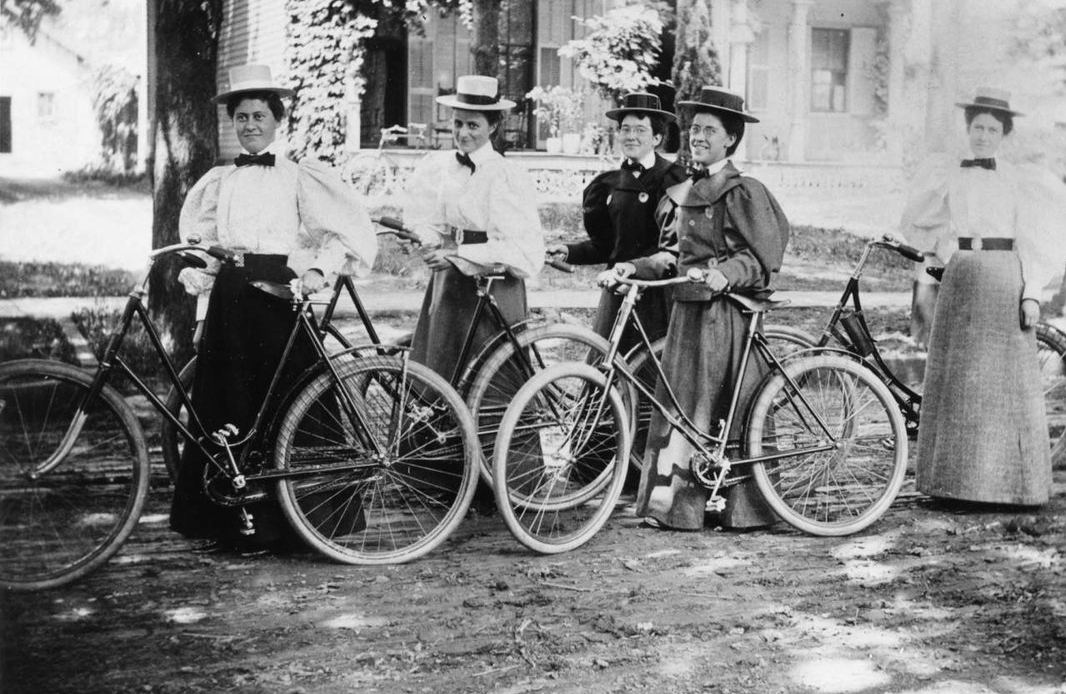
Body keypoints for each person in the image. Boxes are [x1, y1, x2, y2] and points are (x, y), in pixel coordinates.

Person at [171, 63, 378, 549]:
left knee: (290, 403)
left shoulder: (297, 176)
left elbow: (335, 234)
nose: (250, 126)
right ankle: (232, 524)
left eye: (259, 116)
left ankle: (299, 525)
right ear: (232, 122)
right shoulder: (220, 180)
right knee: (228, 407)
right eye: (241, 117)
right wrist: (202, 316)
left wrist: (317, 270)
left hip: (275, 297)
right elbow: (208, 255)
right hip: (229, 301)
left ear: (277, 120)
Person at [600, 87, 791, 531]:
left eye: (709, 130)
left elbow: (764, 256)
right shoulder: (684, 190)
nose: (698, 137)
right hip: (686, 314)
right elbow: (673, 255)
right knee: (682, 408)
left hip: (727, 317)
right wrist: (632, 267)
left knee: (731, 409)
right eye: (694, 129)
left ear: (731, 139)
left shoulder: (744, 191)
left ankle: (747, 508)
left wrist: (728, 272)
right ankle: (677, 507)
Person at [901, 87, 1066, 508]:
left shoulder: (1020, 180)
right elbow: (923, 222)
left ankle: (1009, 488)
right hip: (962, 276)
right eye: (977, 127)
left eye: (992, 130)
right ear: (968, 129)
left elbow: (1036, 239)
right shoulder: (949, 173)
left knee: (1002, 384)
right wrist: (942, 256)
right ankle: (953, 485)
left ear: (1004, 134)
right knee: (958, 381)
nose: (983, 136)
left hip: (1003, 277)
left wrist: (1032, 293)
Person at [405, 75, 544, 383]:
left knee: (489, 379)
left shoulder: (505, 175)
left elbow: (515, 246)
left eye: (473, 125)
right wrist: (423, 238)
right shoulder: (444, 168)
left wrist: (457, 254)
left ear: (493, 126)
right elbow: (437, 222)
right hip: (450, 282)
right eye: (457, 124)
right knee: (443, 369)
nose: (462, 133)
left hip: (493, 283)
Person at [546, 93, 687, 352]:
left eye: (640, 130)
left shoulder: (675, 180)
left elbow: (674, 251)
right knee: (606, 365)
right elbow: (606, 246)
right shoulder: (608, 184)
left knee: (651, 365)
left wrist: (635, 268)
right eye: (625, 129)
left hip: (656, 294)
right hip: (616, 292)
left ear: (657, 138)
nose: (631, 136)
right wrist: (569, 251)